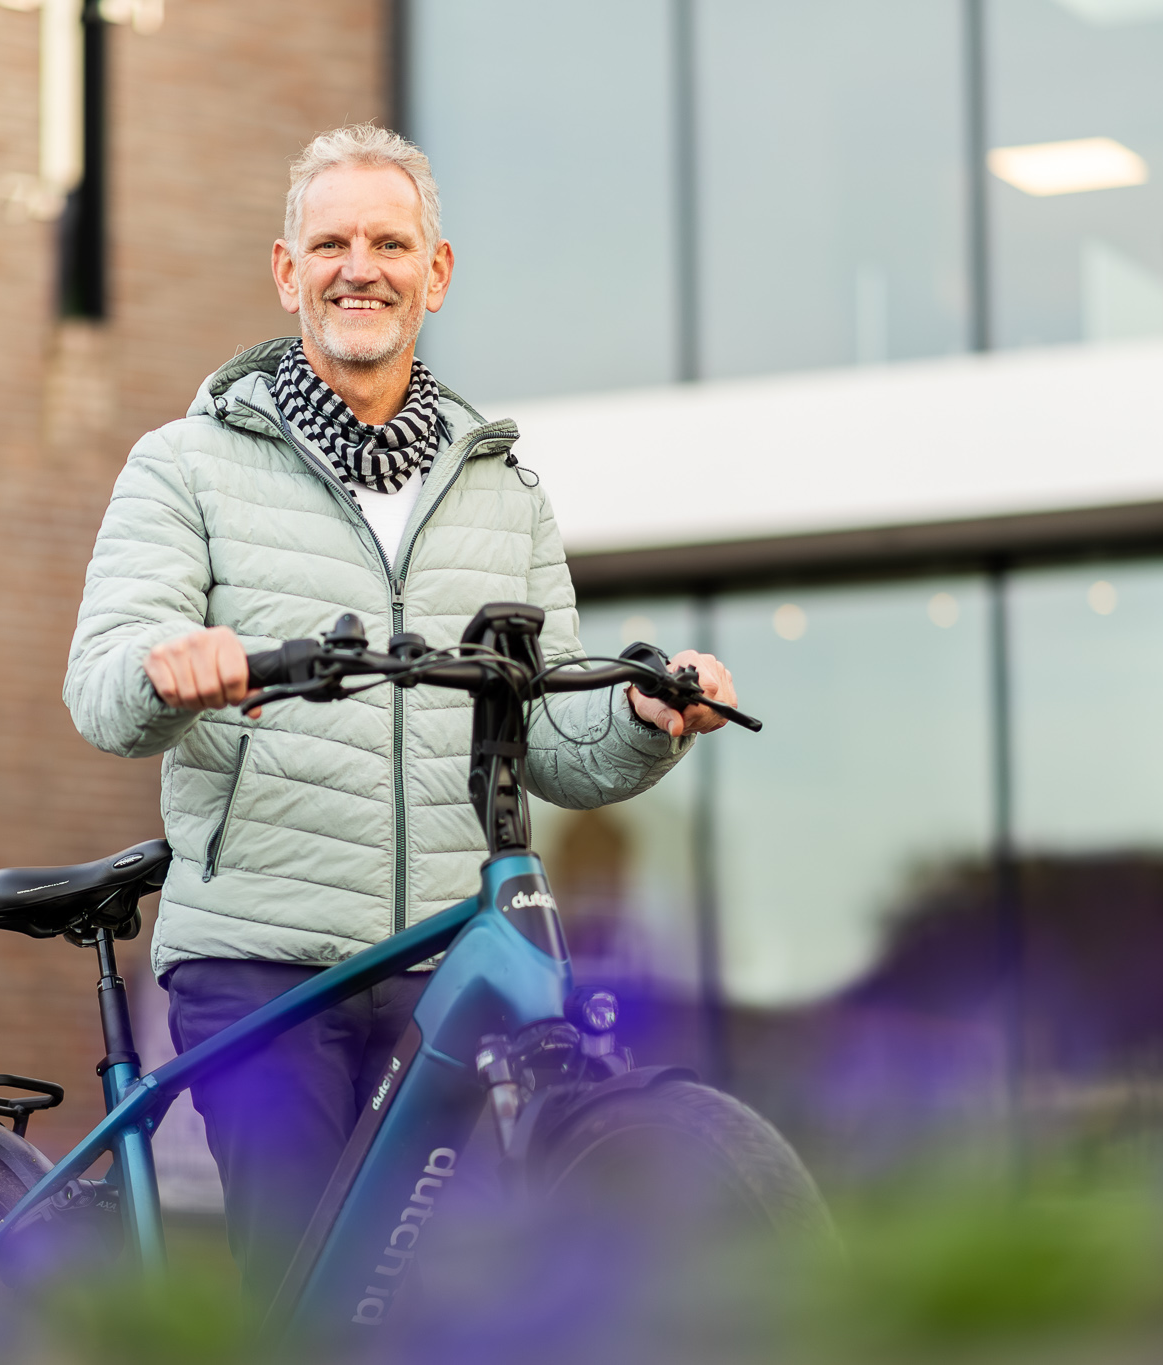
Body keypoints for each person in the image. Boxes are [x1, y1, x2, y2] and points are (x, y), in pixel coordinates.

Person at [63, 124, 738, 1304]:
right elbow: (103, 687)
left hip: (443, 960)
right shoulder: (184, 466)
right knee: (309, 1297)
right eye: (330, 242)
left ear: (436, 272)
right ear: (286, 270)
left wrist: (640, 716)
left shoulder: (500, 489)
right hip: (265, 955)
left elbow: (550, 742)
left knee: (444, 1303)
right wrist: (172, 669)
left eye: (388, 241)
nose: (357, 267)